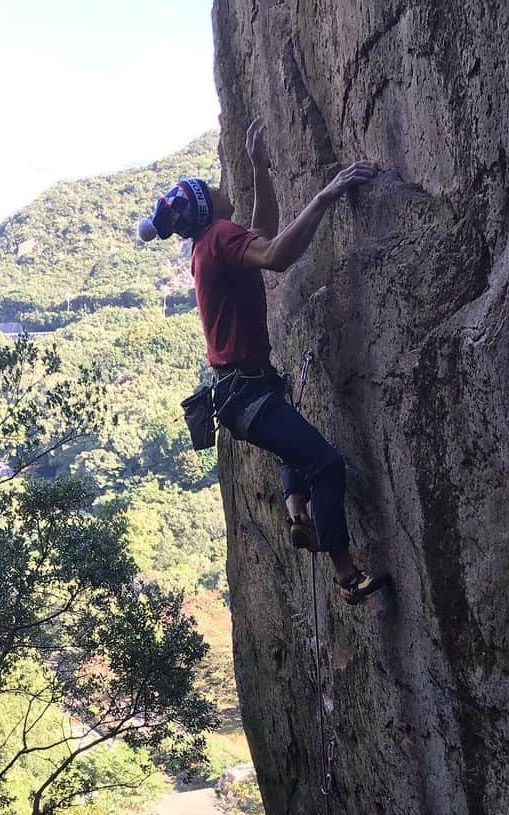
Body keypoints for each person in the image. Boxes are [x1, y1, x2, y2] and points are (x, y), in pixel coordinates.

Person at [137, 120, 388, 605]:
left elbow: (262, 234)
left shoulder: (209, 246)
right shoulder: (217, 238)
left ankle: (297, 513)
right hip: (248, 393)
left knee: (293, 446)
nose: (221, 187)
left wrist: (260, 168)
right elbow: (275, 254)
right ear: (207, 208)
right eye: (213, 188)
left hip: (242, 393)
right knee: (327, 463)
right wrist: (325, 196)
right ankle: (347, 575)